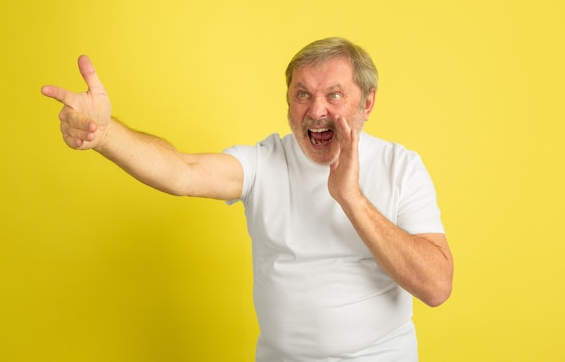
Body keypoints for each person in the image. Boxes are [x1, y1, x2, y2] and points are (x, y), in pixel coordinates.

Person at [41, 37, 453, 362]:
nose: (316, 110)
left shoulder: (401, 166)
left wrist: (352, 199)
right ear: (288, 102)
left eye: (335, 95)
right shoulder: (265, 162)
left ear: (368, 102)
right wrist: (106, 133)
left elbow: (436, 286)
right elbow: (183, 171)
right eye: (302, 94)